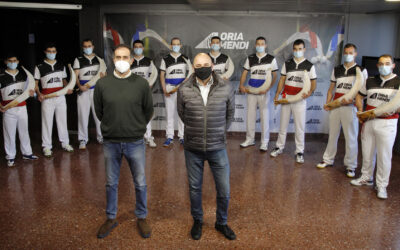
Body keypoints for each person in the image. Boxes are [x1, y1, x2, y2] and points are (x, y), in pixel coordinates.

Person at [94, 44, 153, 238]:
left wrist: (135, 126)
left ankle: (142, 217)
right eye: (117, 57)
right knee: (111, 183)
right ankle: (111, 217)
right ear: (113, 60)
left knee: (140, 182)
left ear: (131, 60)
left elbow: (148, 110)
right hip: (111, 142)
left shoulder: (141, 84)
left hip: (135, 141)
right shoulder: (103, 84)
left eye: (125, 57)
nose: (121, 61)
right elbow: (100, 111)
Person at [177, 53, 236, 240]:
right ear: (193, 67)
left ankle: (222, 222)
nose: (201, 67)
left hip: (217, 146)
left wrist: (218, 131)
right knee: (194, 188)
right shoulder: (184, 88)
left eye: (205, 64)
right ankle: (198, 220)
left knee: (224, 189)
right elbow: (182, 114)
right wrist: (197, 130)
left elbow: (230, 114)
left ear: (212, 66)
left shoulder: (225, 86)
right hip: (192, 147)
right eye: (198, 65)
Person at [351, 54, 399, 199]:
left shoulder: (398, 82)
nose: (384, 66)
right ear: (377, 65)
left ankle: (382, 185)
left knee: (384, 156)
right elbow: (359, 96)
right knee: (367, 152)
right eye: (381, 64)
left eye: (387, 63)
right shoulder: (370, 80)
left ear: (393, 65)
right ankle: (366, 177)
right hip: (369, 121)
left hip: (387, 123)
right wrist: (360, 111)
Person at [316, 43, 368, 177]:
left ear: (355, 54)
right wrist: (328, 102)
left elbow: (362, 91)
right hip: (335, 107)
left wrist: (354, 100)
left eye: (351, 53)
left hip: (350, 108)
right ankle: (328, 159)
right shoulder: (337, 69)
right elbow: (331, 88)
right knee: (332, 134)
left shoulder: (361, 70)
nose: (348, 55)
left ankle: (351, 166)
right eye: (346, 52)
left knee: (351, 137)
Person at [270, 39, 317, 163]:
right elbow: (282, 80)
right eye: (295, 49)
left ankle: (299, 151)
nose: (297, 51)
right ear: (293, 50)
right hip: (286, 98)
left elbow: (313, 83)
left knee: (299, 127)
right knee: (283, 125)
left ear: (304, 50)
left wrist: (309, 93)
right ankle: (279, 147)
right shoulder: (288, 63)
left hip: (300, 100)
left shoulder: (309, 65)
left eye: (300, 49)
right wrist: (277, 94)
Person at [34, 43, 74, 157]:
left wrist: (68, 88)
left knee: (62, 121)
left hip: (60, 98)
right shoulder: (39, 66)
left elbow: (64, 81)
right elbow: (36, 84)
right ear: (45, 52)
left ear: (56, 52)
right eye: (49, 51)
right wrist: (39, 94)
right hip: (47, 99)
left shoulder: (61, 65)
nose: (52, 53)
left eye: (53, 51)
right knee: (47, 122)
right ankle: (46, 147)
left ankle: (65, 143)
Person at [239, 36, 278, 151]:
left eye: (262, 44)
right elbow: (245, 73)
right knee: (250, 116)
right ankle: (250, 139)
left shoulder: (271, 59)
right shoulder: (250, 58)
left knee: (264, 116)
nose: (260, 46)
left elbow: (275, 76)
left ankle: (264, 142)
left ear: (265, 46)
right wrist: (241, 85)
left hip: (264, 92)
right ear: (255, 45)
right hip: (251, 90)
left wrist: (268, 88)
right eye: (258, 44)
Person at [0, 54, 38, 167]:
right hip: (8, 109)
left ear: (18, 61)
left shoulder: (23, 74)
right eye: (10, 61)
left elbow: (30, 91)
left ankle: (27, 153)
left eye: (15, 60)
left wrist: (33, 94)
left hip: (22, 108)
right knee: (9, 134)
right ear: (6, 62)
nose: (13, 62)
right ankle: (10, 157)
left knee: (24, 131)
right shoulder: (1, 76)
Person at [159, 37, 192, 147]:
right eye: (174, 44)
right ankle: (169, 136)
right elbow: (162, 76)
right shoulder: (165, 59)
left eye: (178, 44)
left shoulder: (185, 58)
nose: (176, 46)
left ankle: (182, 136)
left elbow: (191, 73)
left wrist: (185, 83)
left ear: (181, 46)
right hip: (169, 88)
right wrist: (164, 90)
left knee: (182, 113)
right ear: (170, 46)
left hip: (182, 89)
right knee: (170, 113)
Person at [73, 38, 105, 150]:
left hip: (96, 91)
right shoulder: (78, 60)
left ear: (93, 46)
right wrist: (79, 86)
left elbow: (104, 75)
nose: (87, 48)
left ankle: (101, 137)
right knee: (83, 115)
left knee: (99, 115)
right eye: (85, 46)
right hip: (83, 91)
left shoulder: (99, 60)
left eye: (89, 46)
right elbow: (75, 76)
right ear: (83, 48)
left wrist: (102, 77)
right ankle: (83, 139)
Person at [131, 39, 158, 148]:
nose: (138, 49)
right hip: (131, 93)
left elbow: (152, 76)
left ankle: (148, 137)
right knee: (132, 115)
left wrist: (149, 85)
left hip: (145, 92)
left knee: (146, 115)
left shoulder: (149, 61)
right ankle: (135, 137)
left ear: (142, 48)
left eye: (139, 47)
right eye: (136, 47)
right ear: (133, 48)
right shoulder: (130, 61)